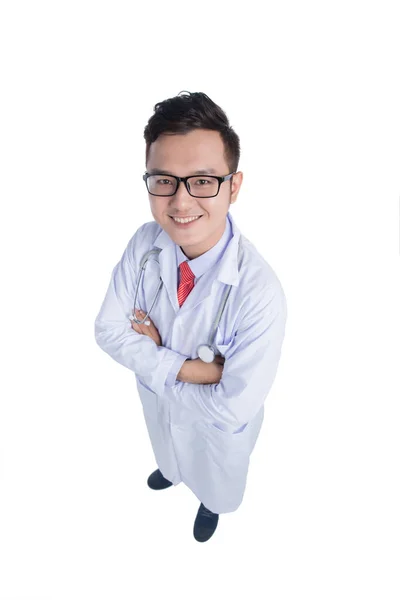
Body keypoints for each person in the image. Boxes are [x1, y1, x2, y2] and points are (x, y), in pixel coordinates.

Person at [94, 90, 288, 543]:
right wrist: (191, 370)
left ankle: (210, 504)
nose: (180, 202)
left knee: (216, 476)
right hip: (161, 408)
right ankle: (171, 470)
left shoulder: (260, 293)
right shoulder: (144, 244)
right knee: (167, 449)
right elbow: (106, 330)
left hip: (216, 435)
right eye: (164, 180)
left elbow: (231, 406)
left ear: (233, 186)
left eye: (202, 181)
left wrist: (152, 356)